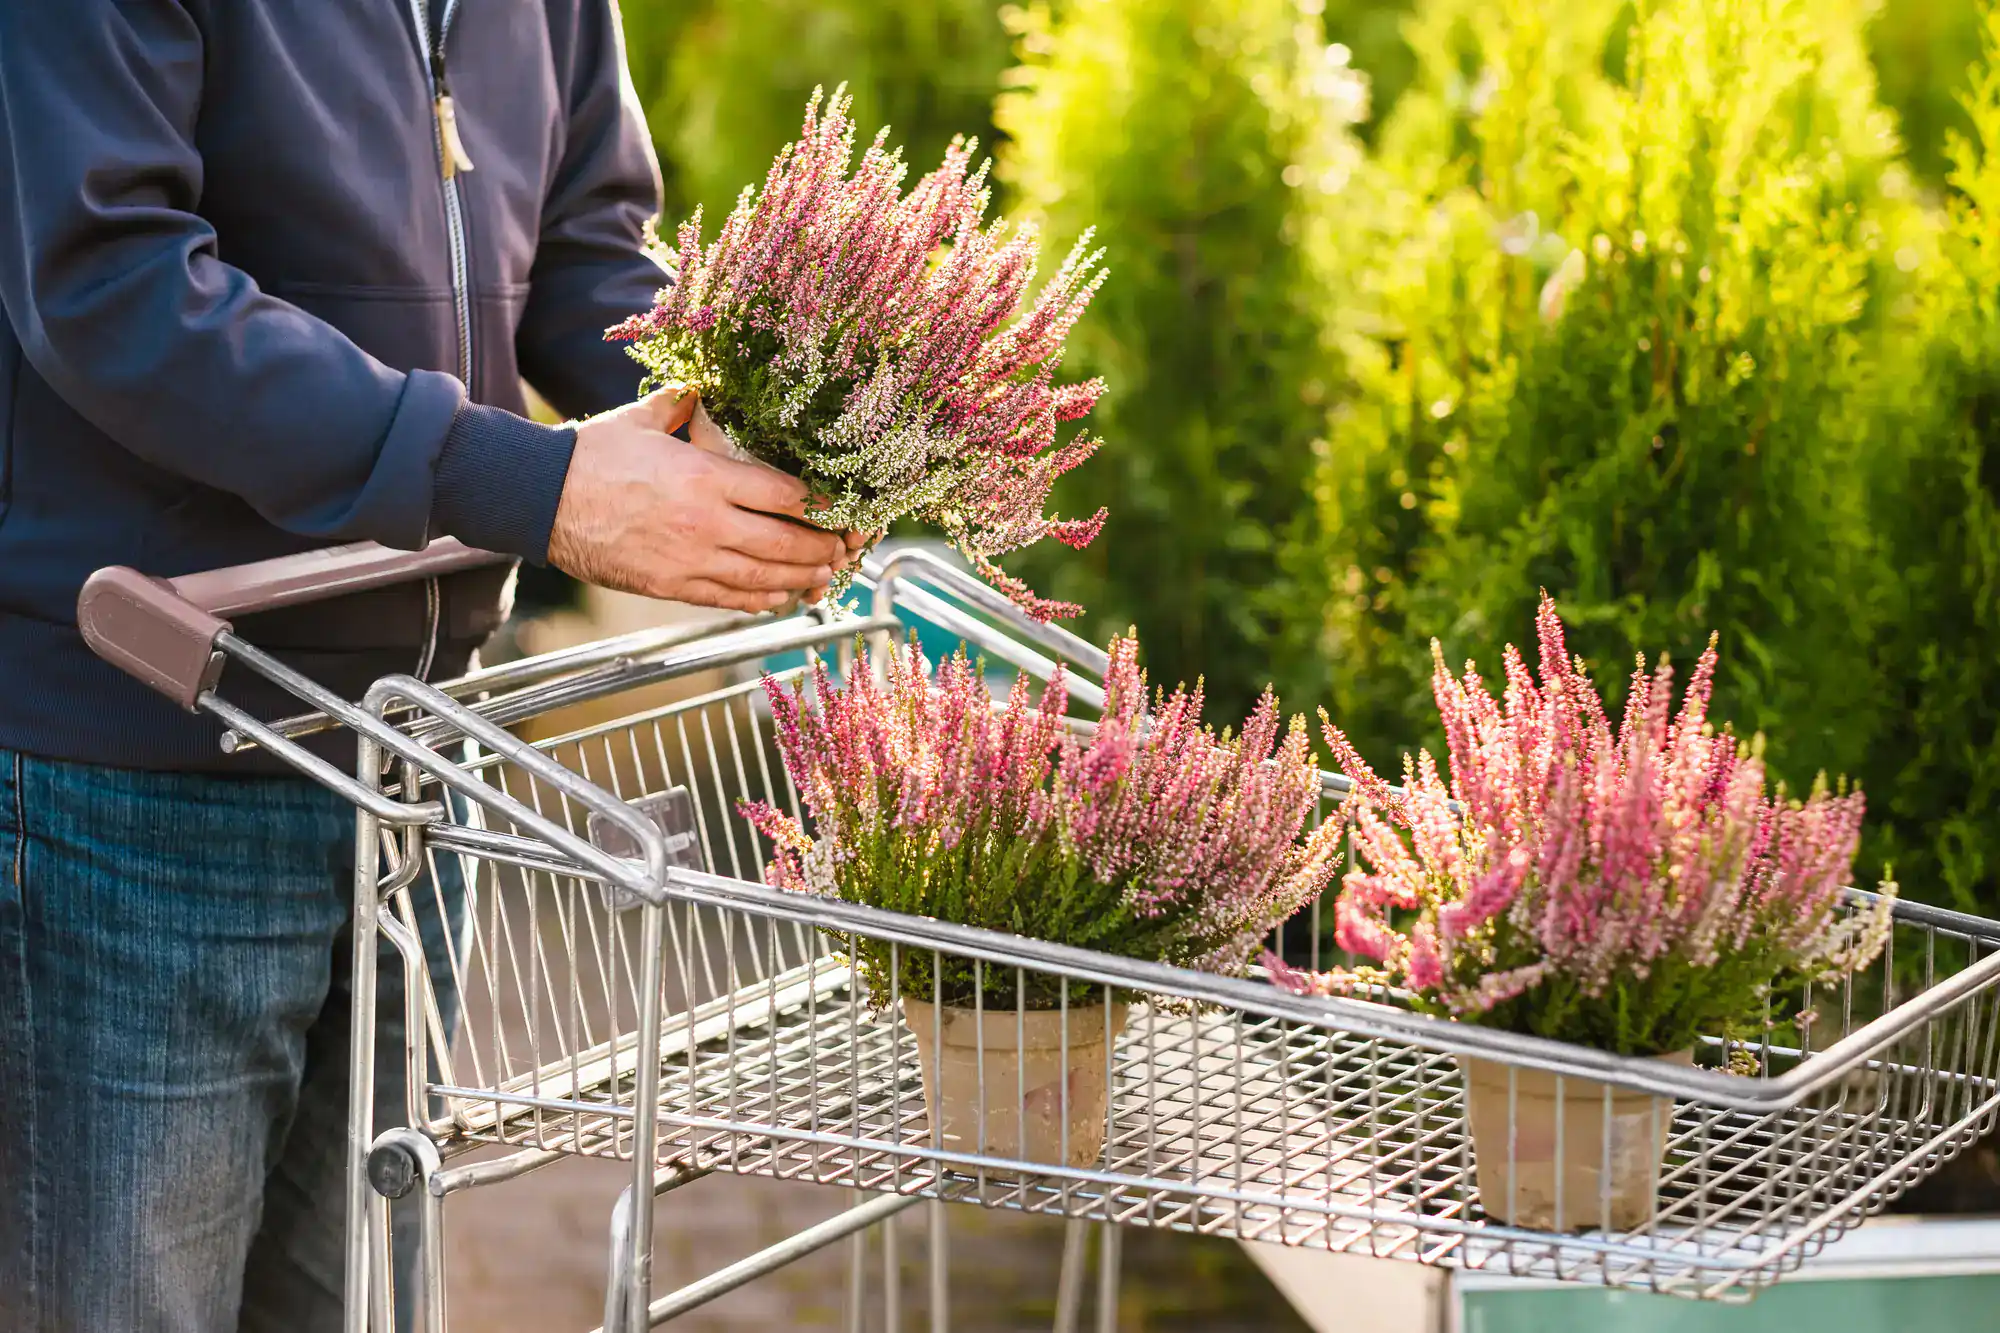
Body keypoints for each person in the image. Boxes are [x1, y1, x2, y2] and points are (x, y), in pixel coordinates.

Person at [0, 3, 856, 1329]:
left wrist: (750, 434)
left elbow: (584, 255)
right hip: (142, 756)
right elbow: (115, 293)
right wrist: (529, 484)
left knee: (365, 1303)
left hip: (415, 761)